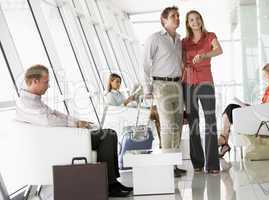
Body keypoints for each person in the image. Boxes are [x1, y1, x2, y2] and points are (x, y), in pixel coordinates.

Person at [15, 64, 132, 197]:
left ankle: (112, 182)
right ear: (35, 81)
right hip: (63, 143)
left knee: (110, 134)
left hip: (63, 138)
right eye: (46, 82)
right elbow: (48, 120)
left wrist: (77, 121)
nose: (48, 85)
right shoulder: (26, 103)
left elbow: (55, 114)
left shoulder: (34, 101)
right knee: (108, 135)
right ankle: (110, 184)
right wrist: (75, 124)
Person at [143, 6, 186, 177]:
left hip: (177, 85)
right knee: (168, 124)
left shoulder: (179, 40)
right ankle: (166, 165)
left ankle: (173, 164)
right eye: (173, 16)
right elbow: (145, 64)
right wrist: (147, 89)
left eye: (178, 15)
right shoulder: (154, 38)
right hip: (161, 85)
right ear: (164, 20)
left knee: (177, 124)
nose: (177, 18)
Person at [182, 10, 223, 174]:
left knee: (210, 120)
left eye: (197, 19)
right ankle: (197, 163)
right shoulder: (184, 42)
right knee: (193, 121)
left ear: (201, 20)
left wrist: (204, 55)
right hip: (188, 83)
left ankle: (212, 164)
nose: (195, 22)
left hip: (206, 82)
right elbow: (180, 62)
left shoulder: (210, 35)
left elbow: (219, 50)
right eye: (191, 20)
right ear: (188, 23)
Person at [218, 63, 269, 157]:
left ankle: (223, 140)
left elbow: (267, 110)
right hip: (260, 116)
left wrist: (251, 109)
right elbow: (265, 107)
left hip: (262, 120)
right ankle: (224, 141)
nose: (264, 77)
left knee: (230, 108)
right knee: (230, 108)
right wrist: (250, 107)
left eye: (264, 75)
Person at [104, 73, 162, 147]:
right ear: (111, 82)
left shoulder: (120, 93)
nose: (119, 84)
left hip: (131, 111)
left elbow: (126, 105)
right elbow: (115, 110)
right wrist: (127, 101)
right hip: (128, 115)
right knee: (155, 112)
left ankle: (161, 140)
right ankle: (161, 140)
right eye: (117, 81)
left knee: (156, 110)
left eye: (120, 82)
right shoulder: (109, 95)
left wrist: (132, 100)